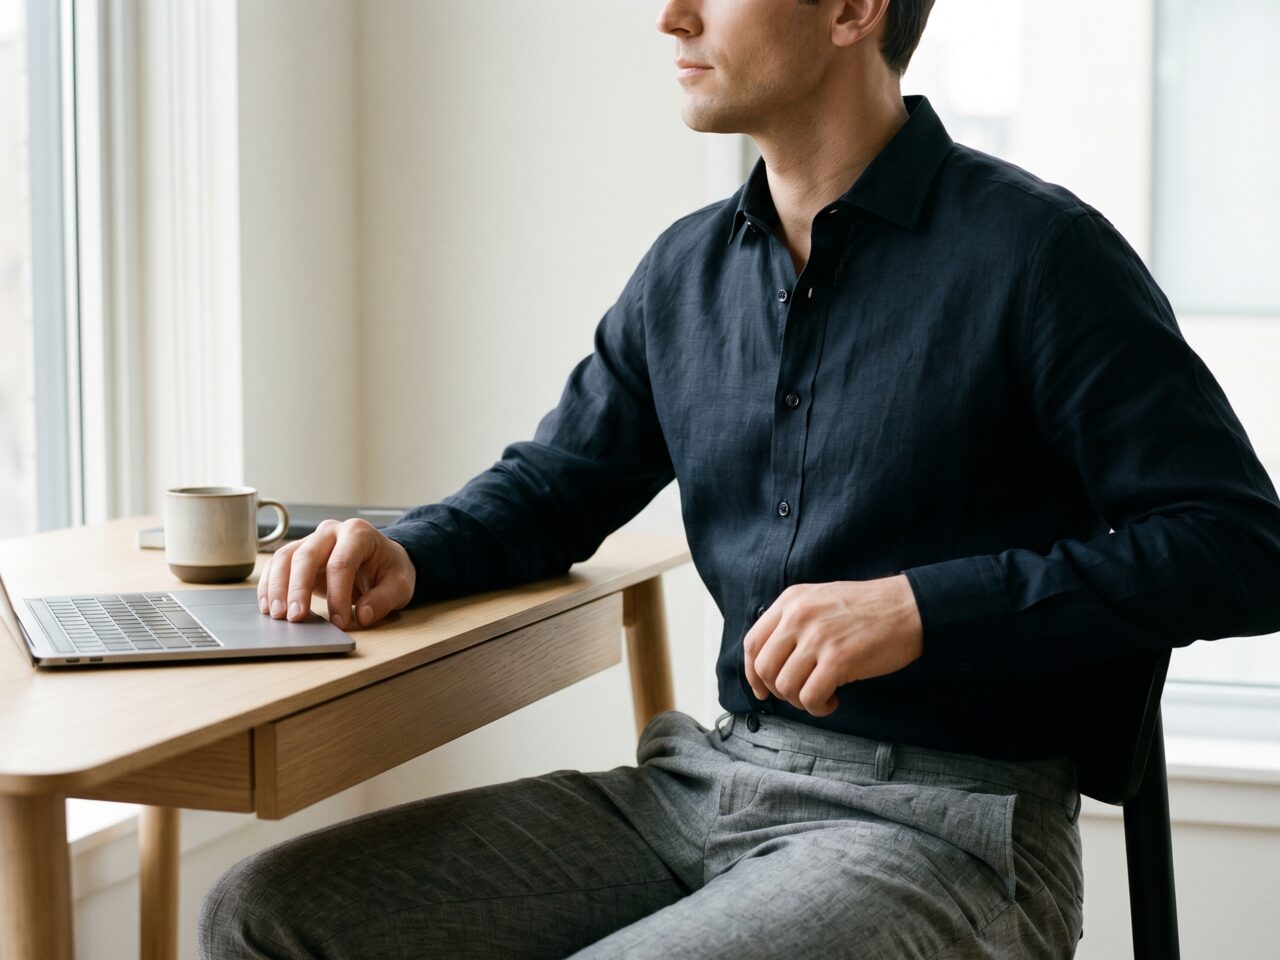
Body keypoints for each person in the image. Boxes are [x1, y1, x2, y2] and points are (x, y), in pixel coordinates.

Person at [200, 0, 1280, 957]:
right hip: (710, 784)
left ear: (852, 9)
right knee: (264, 910)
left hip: (952, 828)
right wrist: (408, 550)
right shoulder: (684, 273)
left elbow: (1238, 549)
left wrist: (922, 607)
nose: (670, 18)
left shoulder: (1041, 255)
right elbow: (550, 489)